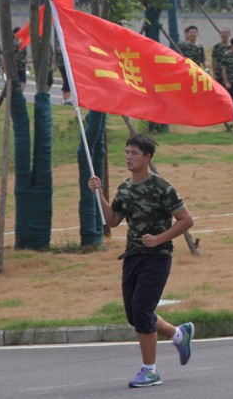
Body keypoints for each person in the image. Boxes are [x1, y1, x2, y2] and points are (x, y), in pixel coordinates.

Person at [87, 135, 195, 389]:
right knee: (134, 315)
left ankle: (150, 371)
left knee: (142, 310)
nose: (128, 156)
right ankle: (179, 334)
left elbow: (186, 220)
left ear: (147, 157)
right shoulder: (125, 188)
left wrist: (159, 239)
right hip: (133, 256)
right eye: (126, 152)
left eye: (134, 153)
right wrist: (98, 194)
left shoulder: (161, 187)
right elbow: (113, 220)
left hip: (157, 258)